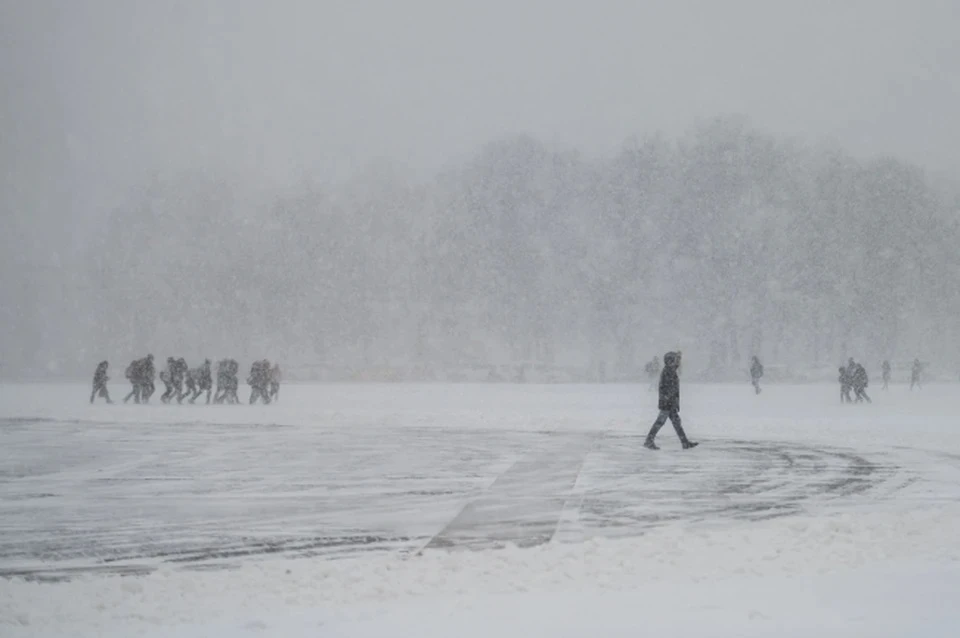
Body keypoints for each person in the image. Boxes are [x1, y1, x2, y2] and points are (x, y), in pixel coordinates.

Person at [644, 351, 697, 450]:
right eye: (673, 360)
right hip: (667, 403)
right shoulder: (667, 372)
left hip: (670, 402)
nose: (675, 362)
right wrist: (670, 400)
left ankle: (685, 442)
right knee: (660, 422)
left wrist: (679, 357)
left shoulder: (670, 369)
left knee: (676, 423)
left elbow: (676, 367)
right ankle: (649, 441)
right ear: (669, 361)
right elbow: (666, 389)